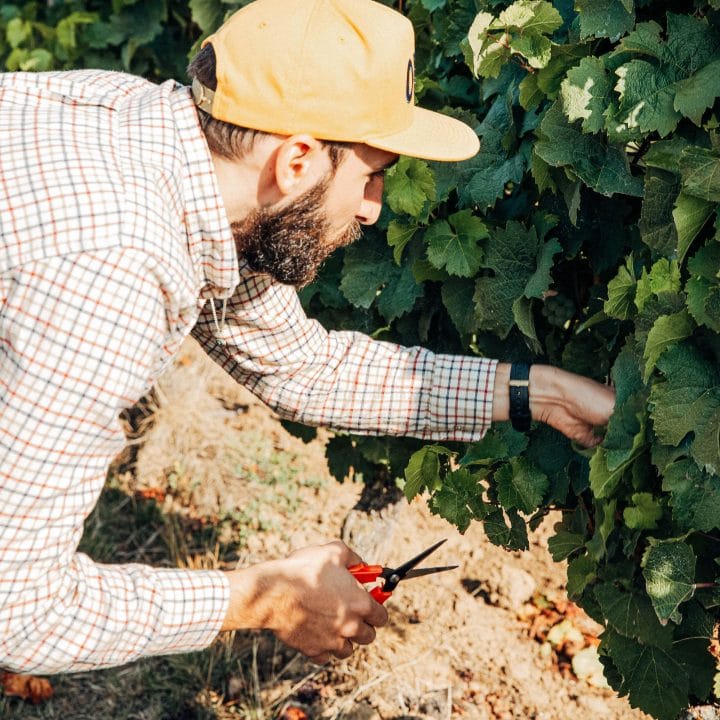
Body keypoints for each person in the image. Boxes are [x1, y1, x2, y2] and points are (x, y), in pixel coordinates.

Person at [0, 0, 615, 674]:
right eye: (370, 174)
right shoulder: (107, 280)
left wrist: (541, 395)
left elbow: (302, 367)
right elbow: (18, 612)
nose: (375, 207)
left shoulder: (142, 128)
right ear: (295, 160)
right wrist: (263, 600)